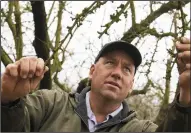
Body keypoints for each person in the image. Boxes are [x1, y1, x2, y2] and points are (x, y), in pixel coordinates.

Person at [1, 37, 191, 132]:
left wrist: (186, 95)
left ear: (131, 84)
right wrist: (8, 100)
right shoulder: (48, 104)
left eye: (126, 69)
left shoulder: (141, 130)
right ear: (92, 71)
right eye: (110, 63)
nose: (117, 73)